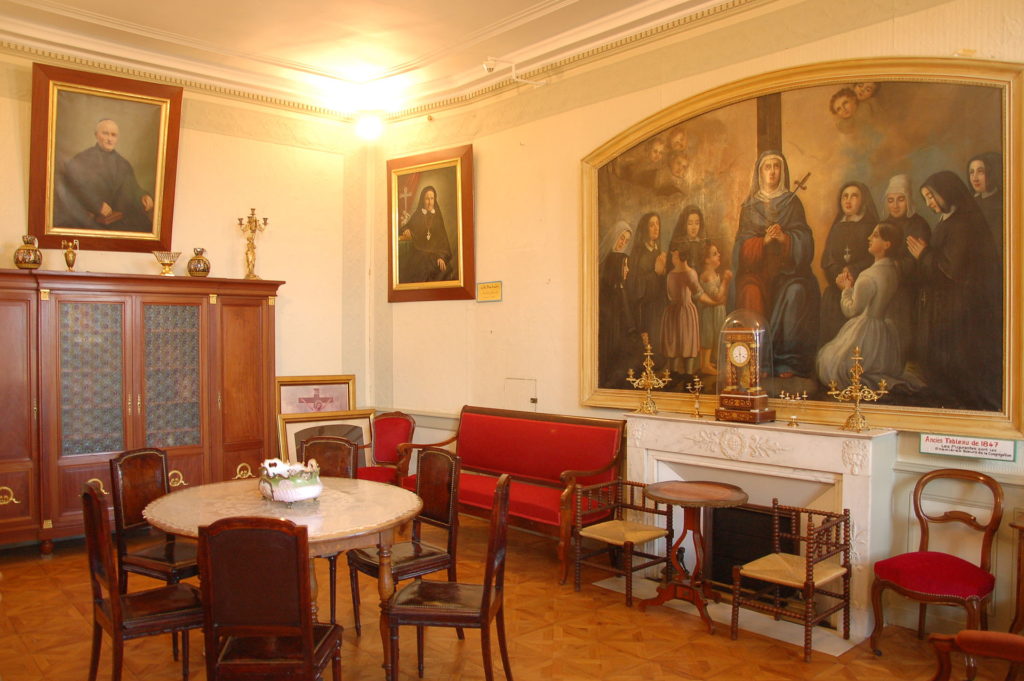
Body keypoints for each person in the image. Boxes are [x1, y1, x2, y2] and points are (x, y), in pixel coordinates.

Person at [907, 171, 1001, 410]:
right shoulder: (948, 220)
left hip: (960, 307)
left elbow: (952, 269)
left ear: (945, 192)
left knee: (955, 361)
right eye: (925, 198)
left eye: (931, 196)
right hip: (944, 304)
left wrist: (924, 254)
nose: (928, 203)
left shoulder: (963, 223)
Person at [732, 150, 820, 377]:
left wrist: (785, 239)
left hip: (787, 272)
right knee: (750, 291)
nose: (772, 172)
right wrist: (762, 242)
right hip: (757, 272)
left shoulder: (792, 203)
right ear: (759, 172)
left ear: (783, 171)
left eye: (776, 166)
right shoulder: (749, 207)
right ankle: (756, 360)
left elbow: (805, 241)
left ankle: (787, 361)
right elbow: (740, 249)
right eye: (767, 167)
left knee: (796, 291)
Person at [816, 223, 910, 390]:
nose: (869, 238)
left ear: (887, 244)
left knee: (829, 364)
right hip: (884, 333)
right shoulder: (893, 270)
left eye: (875, 235)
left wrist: (846, 289)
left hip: (865, 332)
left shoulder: (868, 276)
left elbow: (851, 310)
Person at [54, 118, 154, 231]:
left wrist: (143, 196)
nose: (109, 139)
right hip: (91, 221)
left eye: (113, 135)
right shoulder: (81, 159)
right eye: (105, 133)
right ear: (96, 135)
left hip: (120, 221)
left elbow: (133, 188)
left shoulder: (123, 164)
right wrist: (96, 205)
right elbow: (73, 189)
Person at [879, 174, 931, 367]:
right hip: (885, 286)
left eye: (900, 199)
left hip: (909, 289)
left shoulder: (919, 225)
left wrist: (891, 268)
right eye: (891, 200)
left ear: (908, 200)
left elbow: (915, 261)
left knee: (903, 329)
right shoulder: (883, 225)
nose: (895, 205)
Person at [819, 181, 879, 346]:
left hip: (861, 290)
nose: (848, 200)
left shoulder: (871, 227)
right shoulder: (837, 227)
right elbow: (828, 259)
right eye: (845, 196)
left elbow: (874, 258)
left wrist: (852, 270)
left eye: (854, 196)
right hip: (837, 288)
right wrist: (839, 275)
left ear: (863, 200)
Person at [627, 212, 667, 354]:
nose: (656, 228)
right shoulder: (638, 255)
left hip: (659, 309)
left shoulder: (659, 252)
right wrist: (656, 272)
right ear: (645, 229)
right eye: (651, 225)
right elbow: (635, 288)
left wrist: (664, 273)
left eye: (657, 224)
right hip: (644, 311)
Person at [397, 185, 454, 283]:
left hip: (436, 255)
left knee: (444, 270)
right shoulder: (417, 215)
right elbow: (404, 227)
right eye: (427, 199)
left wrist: (442, 257)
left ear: (434, 199)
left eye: (432, 198)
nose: (430, 202)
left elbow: (443, 240)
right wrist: (407, 230)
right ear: (422, 200)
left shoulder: (437, 217)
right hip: (419, 254)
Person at [599, 252, 637, 387]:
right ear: (615, 267)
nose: (628, 269)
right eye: (624, 265)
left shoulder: (621, 289)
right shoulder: (608, 293)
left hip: (622, 342)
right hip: (612, 343)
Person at [697, 240, 732, 375]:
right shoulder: (707, 275)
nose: (719, 255)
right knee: (708, 336)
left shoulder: (713, 273)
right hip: (709, 313)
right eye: (714, 254)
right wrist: (725, 281)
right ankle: (705, 365)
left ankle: (707, 362)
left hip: (716, 311)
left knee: (714, 336)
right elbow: (717, 296)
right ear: (706, 260)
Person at [967, 152, 1003, 252]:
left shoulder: (1000, 204)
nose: (974, 178)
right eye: (971, 172)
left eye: (980, 172)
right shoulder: (972, 201)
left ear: (992, 173)